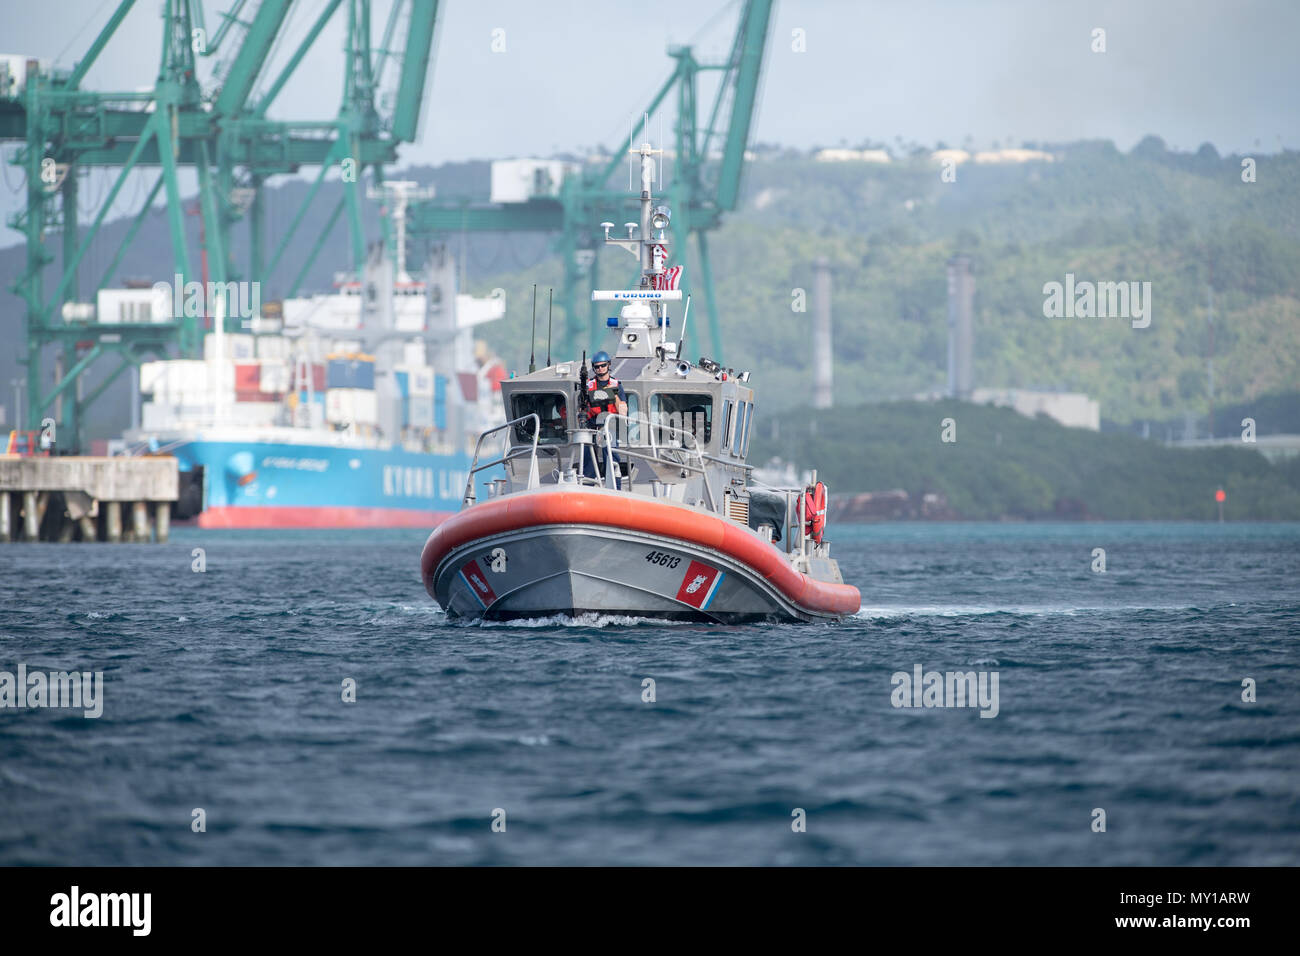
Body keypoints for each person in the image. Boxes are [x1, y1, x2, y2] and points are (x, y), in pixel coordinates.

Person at [583, 351, 626, 487]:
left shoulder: (617, 385)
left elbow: (623, 411)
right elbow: (582, 408)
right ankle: (588, 487)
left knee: (612, 458)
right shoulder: (588, 386)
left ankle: (614, 488)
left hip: (610, 427)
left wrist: (612, 394)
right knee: (588, 458)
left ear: (609, 365)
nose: (600, 369)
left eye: (603, 365)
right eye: (597, 367)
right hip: (592, 426)